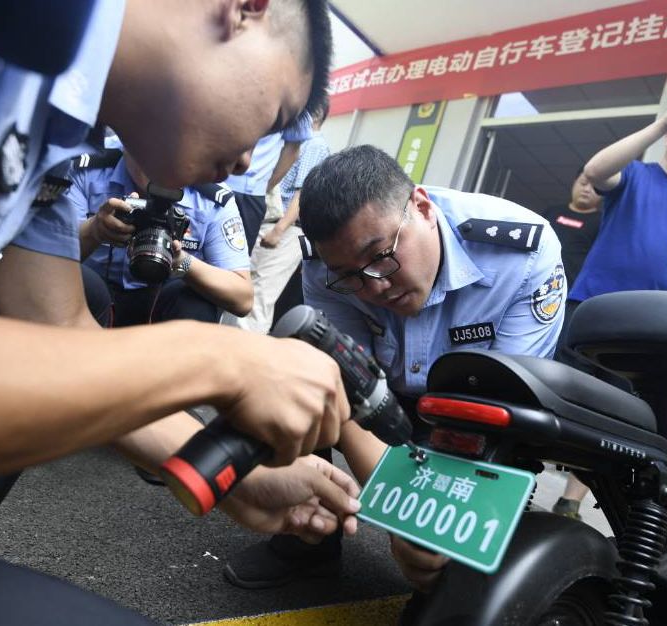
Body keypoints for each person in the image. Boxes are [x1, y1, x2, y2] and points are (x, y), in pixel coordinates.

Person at [0, 2, 357, 623]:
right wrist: (219, 357)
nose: (248, 162)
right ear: (244, 11)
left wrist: (234, 474)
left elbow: (61, 333)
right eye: (278, 117)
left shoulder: (49, 127)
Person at [224, 144, 565, 593]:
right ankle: (309, 545)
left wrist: (436, 519)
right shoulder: (324, 264)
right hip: (380, 396)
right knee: (295, 387)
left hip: (480, 409)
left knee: (475, 576)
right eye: (350, 276)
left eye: (381, 256)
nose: (375, 286)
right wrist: (400, 516)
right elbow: (345, 388)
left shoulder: (522, 255)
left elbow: (505, 411)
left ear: (421, 207)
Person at [560, 90, 667, 364]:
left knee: (629, 403)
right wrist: (664, 121)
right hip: (593, 306)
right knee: (566, 396)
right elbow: (594, 172)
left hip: (656, 323)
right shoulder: (634, 173)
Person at [73, 142, 253, 327]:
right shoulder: (87, 171)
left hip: (162, 303)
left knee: (194, 302)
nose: (158, 171)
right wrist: (95, 230)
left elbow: (243, 299)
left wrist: (182, 262)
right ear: (125, 140)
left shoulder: (211, 199)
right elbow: (46, 259)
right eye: (148, 156)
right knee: (81, 281)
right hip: (94, 301)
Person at [230, 98, 330, 335]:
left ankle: (243, 360)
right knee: (245, 291)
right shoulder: (300, 143)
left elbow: (302, 191)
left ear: (313, 114)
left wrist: (279, 230)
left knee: (259, 297)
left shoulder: (314, 144)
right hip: (270, 224)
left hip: (284, 229)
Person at [544, 169, 602, 520]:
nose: (586, 188)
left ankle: (570, 501)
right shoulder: (551, 212)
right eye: (582, 180)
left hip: (579, 307)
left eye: (595, 186)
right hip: (542, 299)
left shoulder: (604, 225)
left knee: (589, 395)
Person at [225, 113, 314, 253]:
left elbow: (292, 151)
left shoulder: (299, 101)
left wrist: (264, 187)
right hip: (209, 179)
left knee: (232, 261)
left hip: (248, 194)